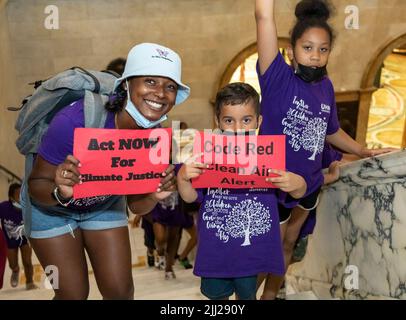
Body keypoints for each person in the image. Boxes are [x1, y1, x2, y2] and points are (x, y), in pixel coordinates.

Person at [22, 43, 190, 299]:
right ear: (126, 84)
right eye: (150, 81)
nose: (160, 93)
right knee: (73, 294)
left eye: (169, 86)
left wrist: (154, 196)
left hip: (102, 204)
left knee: (120, 293)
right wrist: (62, 191)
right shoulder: (75, 120)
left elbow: (136, 205)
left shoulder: (154, 137)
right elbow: (37, 185)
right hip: (51, 208)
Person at [254, 0, 394, 299]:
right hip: (274, 182)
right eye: (308, 48)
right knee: (267, 256)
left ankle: (269, 297)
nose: (315, 56)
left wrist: (361, 149)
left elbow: (330, 130)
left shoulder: (326, 87)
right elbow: (263, 15)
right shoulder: (276, 76)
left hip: (310, 181)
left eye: (323, 49)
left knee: (288, 246)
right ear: (291, 51)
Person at [177, 82, 307, 300]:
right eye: (229, 121)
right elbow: (190, 196)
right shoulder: (206, 157)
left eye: (246, 120)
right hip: (215, 253)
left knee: (247, 297)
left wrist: (297, 183)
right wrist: (182, 177)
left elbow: (297, 193)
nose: (238, 129)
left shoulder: (268, 157)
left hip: (252, 255)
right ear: (217, 122)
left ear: (258, 121)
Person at [0, 183, 37, 290]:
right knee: (12, 264)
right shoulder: (3, 207)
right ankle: (15, 270)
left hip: (25, 239)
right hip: (9, 241)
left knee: (27, 261)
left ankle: (29, 282)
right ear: (11, 197)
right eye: (18, 194)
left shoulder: (28, 207)